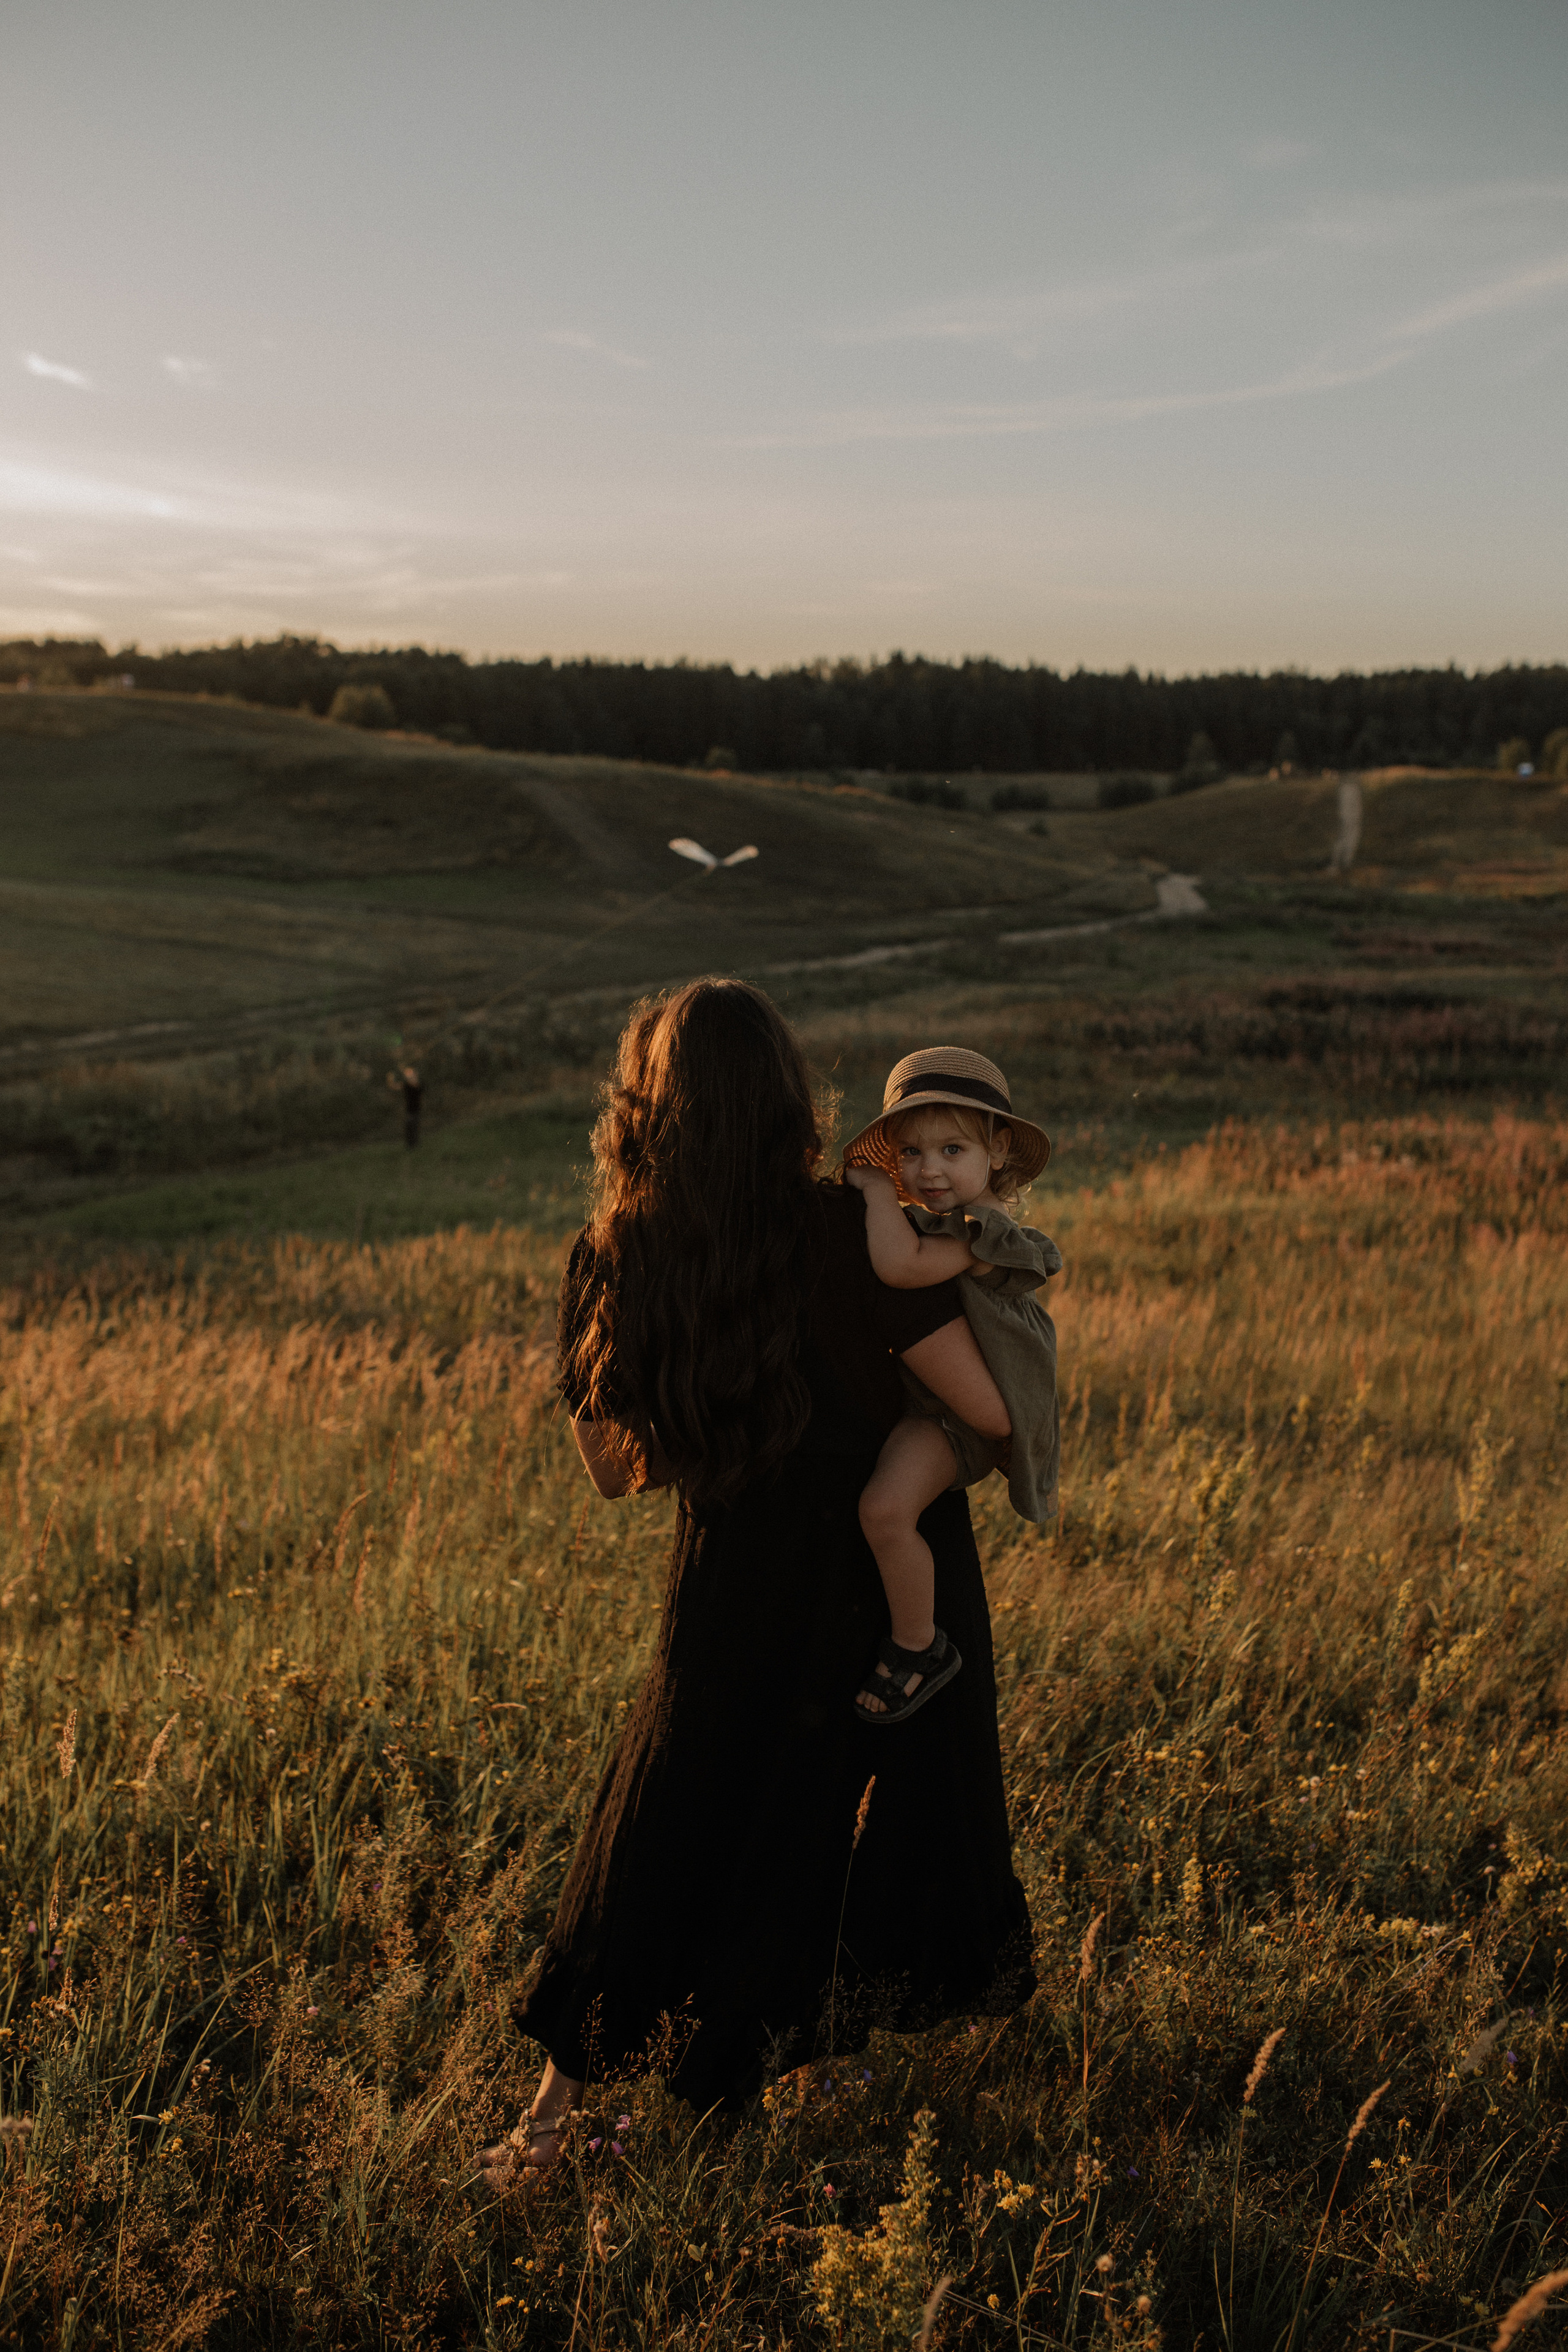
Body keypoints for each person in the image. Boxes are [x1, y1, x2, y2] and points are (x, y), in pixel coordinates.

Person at [476, 980, 1036, 2188]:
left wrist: (653, 1346)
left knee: (661, 1823)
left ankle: (547, 2126)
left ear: (648, 1112)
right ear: (789, 1095)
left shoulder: (615, 1254)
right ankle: (797, 2073)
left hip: (732, 1589)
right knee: (837, 1821)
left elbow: (617, 1477)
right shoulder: (849, 1231)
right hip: (890, 1590)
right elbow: (987, 1414)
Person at [840, 1047, 1063, 1727]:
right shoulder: (947, 1217)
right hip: (935, 1405)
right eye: (907, 1154)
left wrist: (876, 1192)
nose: (926, 1170)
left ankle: (919, 1646)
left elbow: (899, 1270)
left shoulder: (980, 1229)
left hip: (960, 1421)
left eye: (950, 1148)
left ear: (997, 1151)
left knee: (883, 1510)